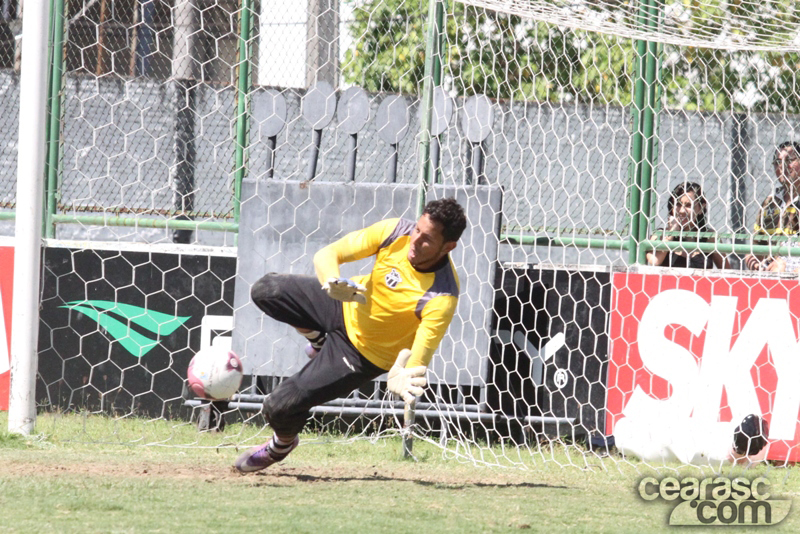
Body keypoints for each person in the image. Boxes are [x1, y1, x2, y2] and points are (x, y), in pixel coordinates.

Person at [235, 198, 467, 473]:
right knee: (267, 290)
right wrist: (332, 282)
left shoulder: (441, 297)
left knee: (278, 406)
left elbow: (419, 359)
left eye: (427, 239)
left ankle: (282, 444)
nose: (415, 241)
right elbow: (328, 254)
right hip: (346, 302)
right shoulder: (394, 232)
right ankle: (319, 340)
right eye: (417, 229)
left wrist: (403, 374)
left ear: (448, 247)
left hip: (361, 354)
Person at [744, 141, 800, 273]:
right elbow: (754, 250)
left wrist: (788, 271)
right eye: (778, 161)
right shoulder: (769, 202)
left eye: (789, 160)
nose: (783, 165)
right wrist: (756, 264)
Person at [646, 182, 729, 269]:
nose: (682, 211)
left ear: (701, 208)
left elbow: (727, 271)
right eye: (677, 204)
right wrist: (672, 233)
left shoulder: (709, 237)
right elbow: (654, 261)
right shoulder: (660, 235)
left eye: (689, 205)